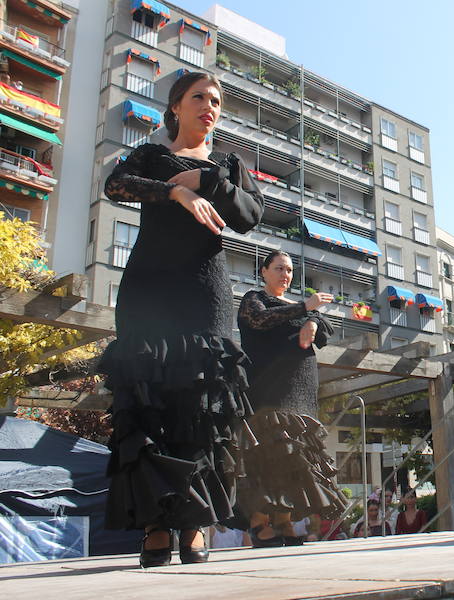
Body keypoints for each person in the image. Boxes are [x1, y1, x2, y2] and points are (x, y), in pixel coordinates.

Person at [98, 72, 264, 568]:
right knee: (150, 406)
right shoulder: (151, 156)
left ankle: (192, 524)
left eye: (215, 101)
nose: (208, 107)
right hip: (148, 291)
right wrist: (175, 192)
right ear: (175, 107)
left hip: (204, 294)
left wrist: (208, 181)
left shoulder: (229, 164)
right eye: (198, 98)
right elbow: (115, 185)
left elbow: (251, 215)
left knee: (201, 408)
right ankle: (154, 525)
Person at [236, 250, 348, 547]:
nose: (285, 274)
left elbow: (324, 328)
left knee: (293, 457)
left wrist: (311, 322)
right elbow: (258, 320)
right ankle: (259, 523)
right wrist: (305, 308)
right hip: (269, 390)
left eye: (289, 270)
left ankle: (284, 521)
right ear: (263, 271)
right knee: (269, 453)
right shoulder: (253, 298)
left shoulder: (299, 306)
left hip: (300, 393)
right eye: (278, 268)